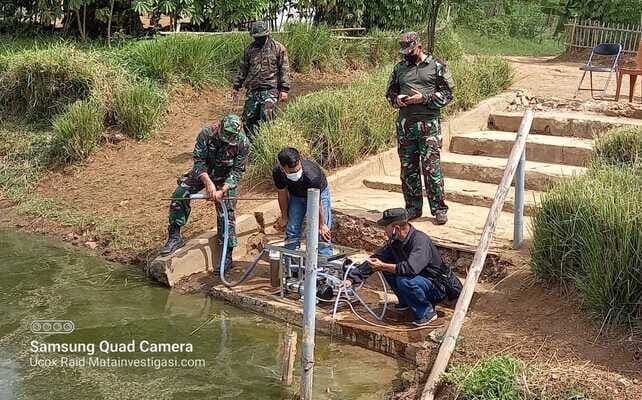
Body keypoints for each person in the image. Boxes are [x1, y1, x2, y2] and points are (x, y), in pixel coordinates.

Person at [341, 208, 460, 326]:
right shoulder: (395, 242)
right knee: (388, 269)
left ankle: (426, 313)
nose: (384, 231)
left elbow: (410, 269)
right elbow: (377, 258)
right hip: (422, 281)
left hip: (438, 287)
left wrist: (383, 265)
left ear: (396, 228)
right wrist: (351, 279)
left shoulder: (420, 241)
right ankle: (406, 302)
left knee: (404, 279)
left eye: (385, 228)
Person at [160, 114, 250, 270]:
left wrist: (223, 189)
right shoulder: (206, 134)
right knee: (180, 194)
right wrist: (208, 183)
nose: (228, 139)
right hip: (203, 174)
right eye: (226, 135)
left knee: (227, 213)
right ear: (220, 126)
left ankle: (226, 255)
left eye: (231, 136)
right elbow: (198, 161)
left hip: (225, 179)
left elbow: (237, 171)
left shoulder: (243, 143)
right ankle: (174, 236)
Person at [385, 32, 455, 225]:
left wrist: (424, 98)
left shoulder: (436, 66)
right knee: (408, 169)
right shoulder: (399, 68)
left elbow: (448, 95)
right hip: (405, 126)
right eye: (405, 52)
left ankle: (439, 209)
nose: (407, 54)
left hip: (428, 126)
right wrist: (397, 100)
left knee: (431, 168)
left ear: (420, 47)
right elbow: (390, 92)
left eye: (411, 51)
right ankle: (413, 208)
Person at [232, 21, 290, 141]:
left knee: (267, 117)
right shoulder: (249, 50)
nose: (259, 39)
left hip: (270, 89)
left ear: (268, 34)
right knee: (248, 119)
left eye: (262, 37)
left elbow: (284, 69)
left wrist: (284, 90)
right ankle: (252, 144)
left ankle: (265, 144)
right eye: (256, 37)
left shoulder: (278, 48)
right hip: (253, 90)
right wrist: (236, 86)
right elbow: (243, 69)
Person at [273, 147, 332, 256]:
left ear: (299, 162)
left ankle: (326, 267)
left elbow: (317, 202)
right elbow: (282, 194)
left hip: (318, 194)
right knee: (292, 230)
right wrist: (284, 217)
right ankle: (292, 266)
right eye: (291, 172)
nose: (295, 173)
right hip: (296, 196)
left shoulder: (312, 175)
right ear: (282, 168)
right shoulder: (278, 173)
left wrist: (322, 224)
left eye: (297, 169)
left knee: (322, 233)